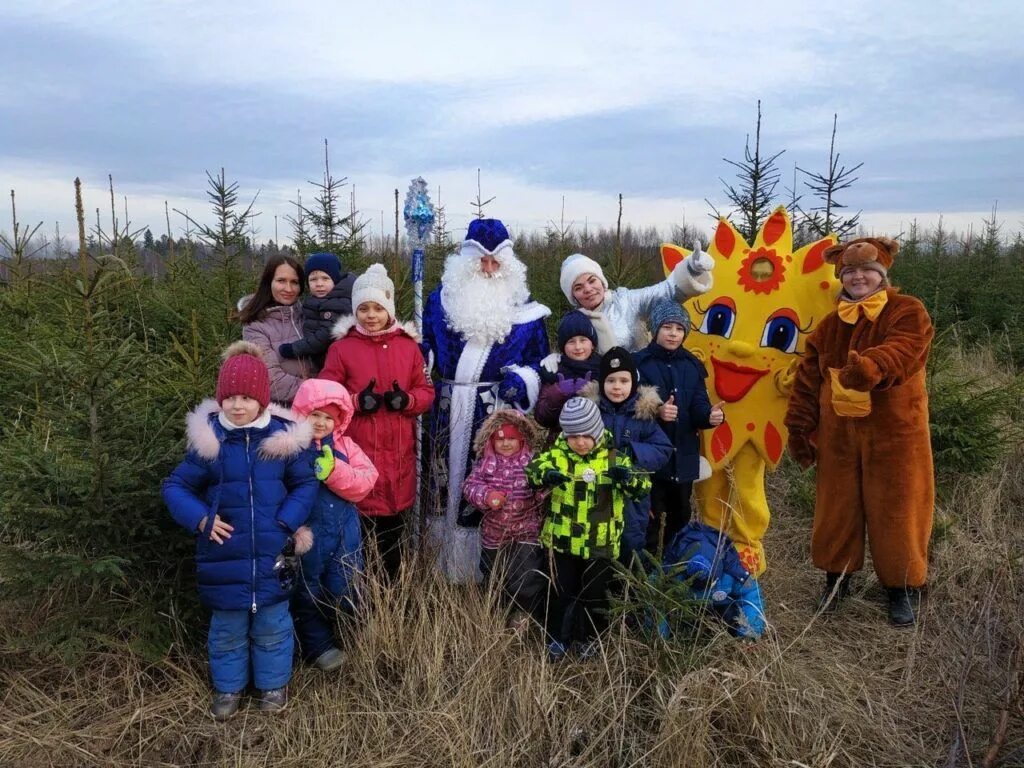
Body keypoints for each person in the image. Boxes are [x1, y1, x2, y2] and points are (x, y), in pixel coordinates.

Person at [162, 342, 318, 720]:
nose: (237, 405)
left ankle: (272, 687)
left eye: (246, 397)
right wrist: (201, 519)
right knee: (227, 630)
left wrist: (284, 522)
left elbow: (305, 485)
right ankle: (228, 689)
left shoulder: (282, 439)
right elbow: (175, 486)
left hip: (272, 554)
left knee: (273, 626)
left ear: (262, 399)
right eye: (229, 397)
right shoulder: (211, 441)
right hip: (224, 557)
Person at [784, 237, 935, 628]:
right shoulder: (830, 325)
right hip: (839, 435)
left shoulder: (907, 310)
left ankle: (901, 588)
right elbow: (807, 378)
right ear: (841, 276)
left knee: (897, 508)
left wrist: (871, 367)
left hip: (895, 433)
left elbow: (905, 349)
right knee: (837, 509)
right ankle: (837, 581)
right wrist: (800, 427)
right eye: (849, 271)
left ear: (882, 274)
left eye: (867, 270)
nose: (858, 277)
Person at [421, 219, 551, 583]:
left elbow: (541, 362)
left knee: (488, 483)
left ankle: (481, 571)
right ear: (466, 262)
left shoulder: (529, 313)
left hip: (493, 411)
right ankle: (438, 565)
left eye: (496, 262)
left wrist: (521, 378)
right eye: (481, 261)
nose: (489, 269)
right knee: (440, 481)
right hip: (446, 407)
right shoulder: (439, 300)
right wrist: (423, 354)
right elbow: (426, 341)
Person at [320, 264, 434, 581]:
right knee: (362, 536)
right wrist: (356, 402)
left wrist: (407, 401)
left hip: (398, 458)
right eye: (364, 308)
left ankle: (391, 594)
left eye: (378, 308)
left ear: (389, 309)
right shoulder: (342, 349)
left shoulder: (408, 348)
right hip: (360, 456)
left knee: (392, 534)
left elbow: (426, 391)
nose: (371, 315)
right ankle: (361, 593)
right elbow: (326, 396)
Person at [527, 397, 650, 660]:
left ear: (596, 432)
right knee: (559, 591)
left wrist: (627, 480)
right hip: (562, 542)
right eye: (573, 436)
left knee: (596, 595)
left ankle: (589, 639)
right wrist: (545, 477)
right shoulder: (557, 457)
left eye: (585, 435)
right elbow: (535, 471)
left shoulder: (614, 458)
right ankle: (557, 637)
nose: (580, 442)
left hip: (601, 544)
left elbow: (643, 489)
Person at [289, 378, 378, 670]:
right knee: (307, 589)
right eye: (316, 414)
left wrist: (333, 471)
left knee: (346, 585)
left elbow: (366, 481)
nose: (322, 422)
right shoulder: (290, 447)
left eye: (329, 417)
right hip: (307, 534)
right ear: (302, 411)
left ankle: (353, 636)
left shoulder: (346, 446)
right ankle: (318, 646)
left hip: (343, 533)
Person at [634, 299, 725, 555]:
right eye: (667, 327)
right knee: (648, 520)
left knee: (680, 518)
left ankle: (674, 572)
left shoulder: (692, 365)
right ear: (655, 329)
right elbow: (627, 404)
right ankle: (645, 574)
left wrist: (709, 417)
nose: (673, 333)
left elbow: (698, 403)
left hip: (683, 456)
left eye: (679, 328)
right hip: (651, 460)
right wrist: (657, 411)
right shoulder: (639, 363)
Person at [582, 346, 673, 566]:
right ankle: (598, 593)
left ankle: (628, 593)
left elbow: (663, 448)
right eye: (611, 381)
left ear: (633, 383)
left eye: (624, 381)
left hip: (632, 496)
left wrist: (633, 452)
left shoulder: (642, 415)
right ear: (602, 383)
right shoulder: (590, 411)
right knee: (596, 543)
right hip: (596, 492)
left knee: (631, 541)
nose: (617, 387)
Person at [462, 409, 547, 626]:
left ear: (521, 440)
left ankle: (523, 615)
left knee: (527, 575)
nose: (506, 444)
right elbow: (470, 487)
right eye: (500, 439)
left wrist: (542, 492)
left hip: (527, 531)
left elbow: (542, 489)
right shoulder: (485, 465)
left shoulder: (532, 464)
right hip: (494, 533)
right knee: (495, 574)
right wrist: (487, 496)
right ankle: (497, 612)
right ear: (491, 441)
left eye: (511, 439)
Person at [554, 246, 714, 355]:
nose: (588, 289)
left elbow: (666, 290)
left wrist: (692, 270)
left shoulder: (626, 301)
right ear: (573, 296)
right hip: (601, 395)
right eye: (578, 287)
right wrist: (555, 359)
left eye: (591, 280)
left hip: (642, 386)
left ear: (601, 281)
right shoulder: (573, 323)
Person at [238, 254, 312, 406]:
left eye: (294, 282)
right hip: (283, 413)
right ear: (269, 282)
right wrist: (320, 390)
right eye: (281, 281)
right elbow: (271, 380)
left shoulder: (308, 315)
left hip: (321, 414)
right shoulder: (255, 326)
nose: (288, 288)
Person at [278, 252, 357, 372]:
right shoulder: (314, 301)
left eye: (325, 278)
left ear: (335, 280)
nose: (319, 284)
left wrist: (294, 349)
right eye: (313, 279)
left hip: (338, 365)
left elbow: (325, 335)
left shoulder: (338, 302)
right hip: (322, 364)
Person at [534, 311, 603, 432]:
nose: (578, 347)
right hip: (562, 438)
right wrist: (557, 394)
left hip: (597, 435)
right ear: (563, 346)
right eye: (571, 341)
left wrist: (591, 395)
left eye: (583, 340)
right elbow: (541, 418)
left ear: (592, 344)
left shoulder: (603, 369)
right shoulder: (553, 371)